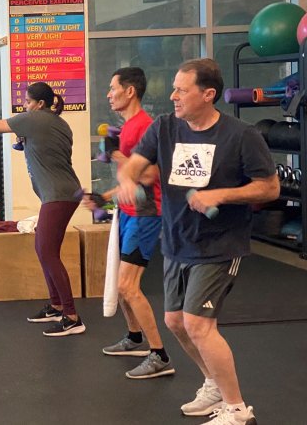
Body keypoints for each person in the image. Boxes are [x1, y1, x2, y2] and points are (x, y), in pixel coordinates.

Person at [116, 59, 278, 424]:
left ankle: (237, 410)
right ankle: (213, 384)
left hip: (219, 244)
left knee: (198, 324)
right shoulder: (165, 127)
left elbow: (269, 187)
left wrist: (221, 195)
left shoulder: (241, 136)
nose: (173, 96)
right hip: (177, 241)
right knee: (175, 321)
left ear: (208, 94)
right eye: (174, 88)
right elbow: (134, 164)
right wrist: (127, 179)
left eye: (182, 90)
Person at [0, 82, 85, 337]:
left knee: (47, 252)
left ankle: (71, 316)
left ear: (39, 104)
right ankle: (56, 305)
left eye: (27, 101)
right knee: (44, 249)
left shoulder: (34, 119)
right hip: (64, 192)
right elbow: (49, 153)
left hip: (58, 195)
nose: (24, 105)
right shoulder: (60, 124)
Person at [83, 67, 173, 379]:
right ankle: (135, 337)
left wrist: (117, 154)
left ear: (130, 91)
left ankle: (159, 354)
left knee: (127, 285)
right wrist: (103, 197)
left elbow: (150, 176)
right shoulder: (128, 127)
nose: (109, 94)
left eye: (113, 88)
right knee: (119, 282)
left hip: (145, 214)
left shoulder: (145, 126)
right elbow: (128, 182)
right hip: (128, 211)